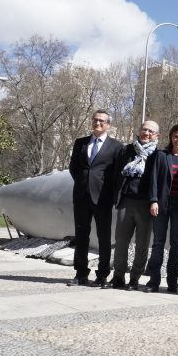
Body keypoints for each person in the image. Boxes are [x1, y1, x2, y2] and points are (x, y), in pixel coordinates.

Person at [67, 110, 122, 287]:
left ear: (108, 124)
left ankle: (102, 274)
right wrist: (84, 183)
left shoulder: (116, 146)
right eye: (95, 120)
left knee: (103, 237)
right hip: (81, 196)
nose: (97, 123)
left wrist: (112, 195)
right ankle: (81, 273)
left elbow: (116, 174)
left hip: (102, 197)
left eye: (102, 121)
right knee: (81, 235)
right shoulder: (81, 143)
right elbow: (73, 168)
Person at [111, 120, 160, 290]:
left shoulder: (157, 155)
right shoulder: (127, 150)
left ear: (156, 136)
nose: (146, 133)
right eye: (144, 129)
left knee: (142, 245)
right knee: (121, 242)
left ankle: (134, 278)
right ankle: (118, 276)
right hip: (126, 201)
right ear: (139, 131)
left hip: (146, 205)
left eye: (150, 131)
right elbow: (116, 173)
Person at [144, 124, 178, 293]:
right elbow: (153, 180)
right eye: (175, 136)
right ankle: (153, 280)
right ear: (171, 137)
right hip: (162, 204)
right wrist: (153, 200)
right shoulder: (161, 156)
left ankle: (172, 281)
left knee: (176, 243)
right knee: (158, 243)